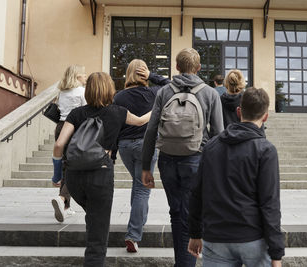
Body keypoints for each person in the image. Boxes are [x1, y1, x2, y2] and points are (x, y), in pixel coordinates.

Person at [52, 72, 151, 267]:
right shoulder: (118, 112)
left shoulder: (76, 114)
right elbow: (140, 121)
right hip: (100, 174)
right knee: (98, 233)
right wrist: (157, 107)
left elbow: (58, 145)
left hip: (74, 177)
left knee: (93, 215)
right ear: (110, 90)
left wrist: (57, 174)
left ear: (88, 91)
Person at [141, 48, 224, 267]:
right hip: (196, 159)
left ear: (176, 67)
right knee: (192, 215)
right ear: (198, 68)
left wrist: (145, 167)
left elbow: (151, 130)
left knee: (176, 213)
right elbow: (218, 134)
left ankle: (182, 262)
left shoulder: (164, 92)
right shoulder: (210, 93)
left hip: (167, 159)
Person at [188, 87, 285, 267]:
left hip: (216, 236)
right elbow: (270, 203)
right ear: (265, 117)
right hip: (252, 237)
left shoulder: (211, 146)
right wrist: (276, 253)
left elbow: (197, 193)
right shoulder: (265, 150)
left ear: (239, 111)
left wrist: (194, 233)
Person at [113, 59, 170, 253]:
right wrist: (152, 75)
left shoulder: (118, 96)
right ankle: (133, 235)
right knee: (142, 189)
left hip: (125, 146)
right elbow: (171, 85)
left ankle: (136, 224)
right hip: (147, 145)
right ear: (143, 75)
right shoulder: (154, 93)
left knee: (138, 185)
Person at [51, 64, 87, 223]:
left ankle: (65, 205)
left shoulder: (62, 92)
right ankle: (62, 198)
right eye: (83, 74)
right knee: (75, 166)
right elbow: (86, 110)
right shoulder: (81, 91)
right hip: (75, 128)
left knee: (66, 165)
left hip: (60, 127)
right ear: (77, 76)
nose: (85, 77)